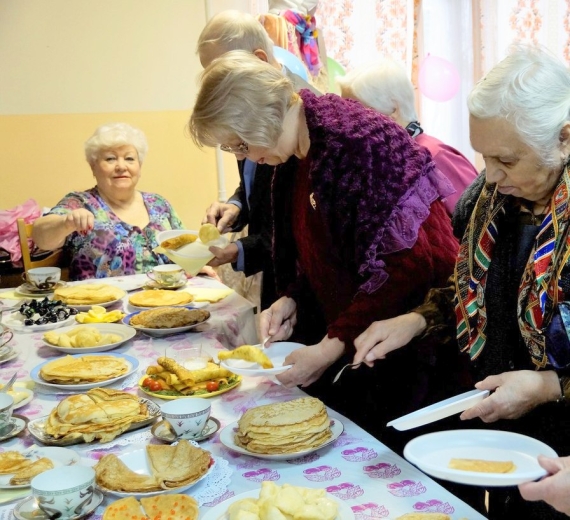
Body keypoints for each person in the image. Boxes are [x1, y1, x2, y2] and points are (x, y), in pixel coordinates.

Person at [189, 50, 460, 435]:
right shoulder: (296, 155)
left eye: (240, 145)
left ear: (261, 118)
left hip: (416, 353)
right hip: (366, 346)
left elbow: (405, 269)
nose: (245, 157)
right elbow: (329, 252)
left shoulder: (356, 144)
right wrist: (294, 298)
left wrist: (331, 346)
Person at [353, 45, 570, 520]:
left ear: (565, 139)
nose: (490, 174)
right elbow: (470, 292)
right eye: (484, 155)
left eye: (506, 159)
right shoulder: (488, 199)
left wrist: (550, 386)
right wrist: (416, 320)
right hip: (501, 433)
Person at [198, 10, 319, 310]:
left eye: (222, 72)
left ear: (260, 60)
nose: (214, 87)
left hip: (311, 293)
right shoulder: (252, 107)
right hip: (282, 289)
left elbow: (301, 231)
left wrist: (238, 250)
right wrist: (237, 204)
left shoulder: (303, 118)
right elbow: (254, 178)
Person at [32, 123, 184, 280]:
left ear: (139, 166)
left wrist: (196, 266)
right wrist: (65, 223)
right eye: (110, 159)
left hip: (163, 299)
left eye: (129, 158)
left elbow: (185, 249)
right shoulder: (81, 202)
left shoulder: (158, 204)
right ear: (93, 167)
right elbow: (41, 237)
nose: (121, 166)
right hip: (99, 302)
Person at [337, 58, 478, 214]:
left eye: (357, 113)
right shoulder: (384, 161)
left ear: (394, 109)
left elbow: (480, 225)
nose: (349, 123)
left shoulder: (435, 156)